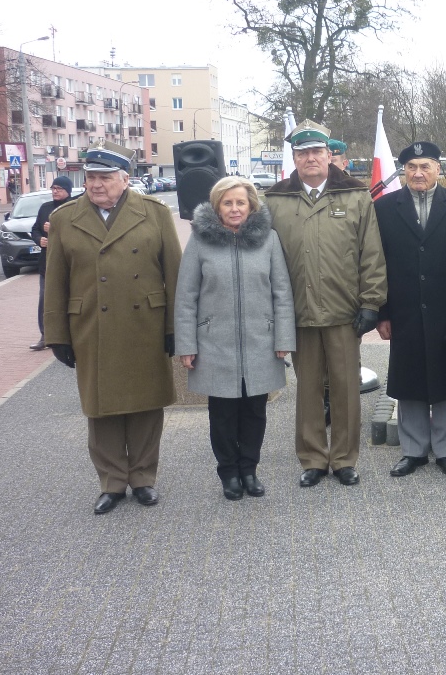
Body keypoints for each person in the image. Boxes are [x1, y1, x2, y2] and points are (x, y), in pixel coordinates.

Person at [44, 141, 181, 514]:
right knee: (100, 408)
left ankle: (142, 478)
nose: (96, 184)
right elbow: (55, 281)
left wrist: (176, 328)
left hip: (145, 324)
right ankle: (112, 482)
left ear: (124, 179)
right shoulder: (64, 218)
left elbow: (175, 275)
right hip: (91, 326)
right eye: (90, 177)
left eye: (104, 177)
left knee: (145, 405)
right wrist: (56, 335)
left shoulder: (154, 213)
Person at [264, 122, 386, 488]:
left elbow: (372, 254)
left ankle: (345, 458)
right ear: (295, 158)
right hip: (296, 312)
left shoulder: (355, 195)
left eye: (317, 152)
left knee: (346, 387)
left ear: (329, 155)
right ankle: (314, 458)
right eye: (302, 153)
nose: (310, 158)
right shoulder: (274, 201)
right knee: (308, 389)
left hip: (343, 310)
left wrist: (371, 302)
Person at [174, 176, 296, 501]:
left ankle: (250, 469)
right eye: (227, 203)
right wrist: (186, 344)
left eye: (240, 202)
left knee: (255, 410)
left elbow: (282, 293)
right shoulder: (200, 243)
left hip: (260, 340)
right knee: (223, 412)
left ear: (251, 205)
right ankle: (228, 472)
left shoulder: (268, 240)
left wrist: (283, 337)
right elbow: (186, 296)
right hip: (215, 343)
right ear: (217, 207)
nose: (234, 208)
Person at [374, 141, 446, 477]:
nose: (418, 173)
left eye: (425, 166)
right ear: (404, 171)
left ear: (438, 169)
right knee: (409, 378)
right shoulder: (385, 208)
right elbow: (379, 263)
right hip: (404, 309)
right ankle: (414, 450)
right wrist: (383, 312)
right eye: (412, 167)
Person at [30, 176, 75, 351]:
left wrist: (55, 228)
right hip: (47, 264)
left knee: (71, 299)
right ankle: (45, 336)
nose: (55, 191)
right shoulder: (45, 208)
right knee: (45, 300)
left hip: (70, 263)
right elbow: (34, 229)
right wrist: (39, 239)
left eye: (59, 188)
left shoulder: (74, 208)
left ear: (68, 191)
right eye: (53, 188)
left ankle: (70, 334)